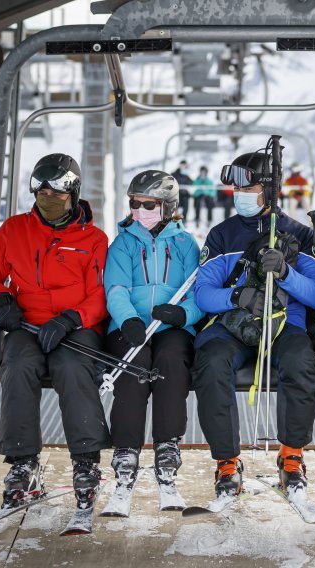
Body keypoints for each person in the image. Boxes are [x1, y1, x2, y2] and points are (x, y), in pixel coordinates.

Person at [0, 153, 110, 509]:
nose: (48, 199)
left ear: (74, 193)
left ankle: (85, 461)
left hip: (75, 326)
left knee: (72, 367)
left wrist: (71, 319)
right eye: (40, 191)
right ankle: (23, 463)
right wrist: (1, 300)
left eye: (58, 192)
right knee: (17, 364)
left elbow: (101, 293)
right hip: (26, 323)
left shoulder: (93, 239)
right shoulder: (14, 230)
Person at [191, 150, 315, 498]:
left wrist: (285, 273)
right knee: (210, 360)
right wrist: (235, 297)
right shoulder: (222, 235)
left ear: (268, 189)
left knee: (300, 359)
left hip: (283, 325)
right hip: (233, 325)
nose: (240, 194)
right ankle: (227, 460)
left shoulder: (299, 235)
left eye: (248, 186)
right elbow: (202, 294)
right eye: (236, 188)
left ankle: (292, 455)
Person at [103, 170, 203, 492]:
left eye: (148, 204)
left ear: (168, 206)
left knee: (171, 360)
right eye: (135, 203)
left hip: (172, 325)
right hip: (130, 325)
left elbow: (197, 293)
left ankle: (167, 441)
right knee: (135, 364)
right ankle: (127, 446)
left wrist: (182, 314)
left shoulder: (186, 244)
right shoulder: (124, 243)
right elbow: (116, 288)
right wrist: (128, 319)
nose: (139, 210)